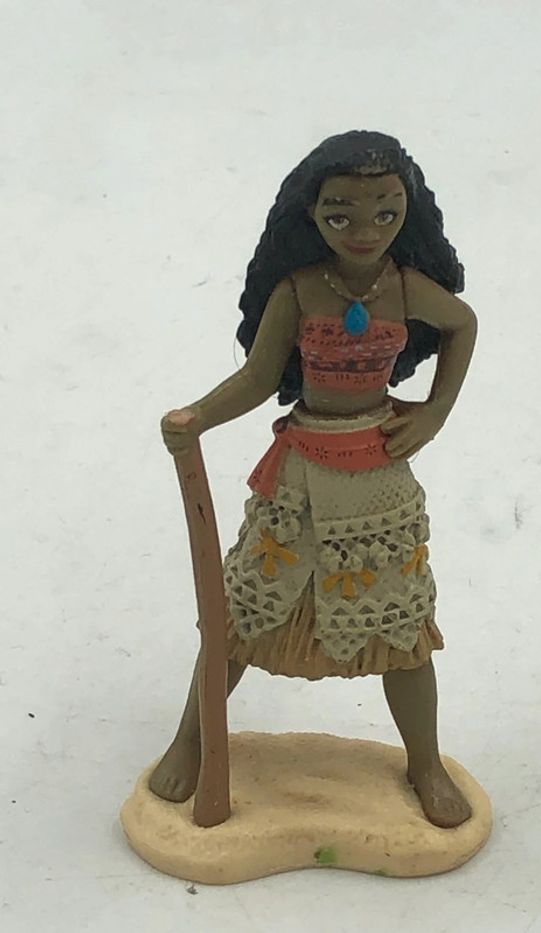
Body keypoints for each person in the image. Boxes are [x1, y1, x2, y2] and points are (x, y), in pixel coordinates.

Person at [149, 130, 478, 828]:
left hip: (378, 474)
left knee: (403, 629)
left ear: (408, 213)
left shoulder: (406, 288)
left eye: (386, 213)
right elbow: (257, 377)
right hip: (300, 474)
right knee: (239, 616)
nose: (365, 231)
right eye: (341, 214)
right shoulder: (298, 291)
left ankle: (424, 762)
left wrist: (436, 411)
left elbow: (463, 324)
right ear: (311, 214)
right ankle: (191, 738)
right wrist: (198, 416)